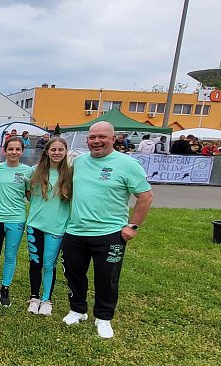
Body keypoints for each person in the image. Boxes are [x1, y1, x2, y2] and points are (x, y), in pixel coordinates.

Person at [61, 121, 153, 339]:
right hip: (76, 231)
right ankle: (78, 310)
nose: (96, 141)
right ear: (87, 140)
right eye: (92, 137)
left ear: (113, 139)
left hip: (109, 233)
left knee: (107, 278)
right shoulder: (79, 162)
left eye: (102, 137)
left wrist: (132, 226)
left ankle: (103, 317)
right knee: (74, 274)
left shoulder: (128, 164)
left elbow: (145, 196)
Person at [26, 136, 72, 316]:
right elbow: (27, 193)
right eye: (53, 149)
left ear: (66, 152)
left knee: (48, 264)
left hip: (57, 227)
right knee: (35, 262)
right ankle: (34, 298)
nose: (57, 153)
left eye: (60, 150)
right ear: (47, 151)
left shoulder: (70, 174)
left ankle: (46, 300)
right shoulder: (34, 171)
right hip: (34, 225)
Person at [0, 137, 32, 307]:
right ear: (4, 151)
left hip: (16, 219)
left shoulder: (28, 171)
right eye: (10, 149)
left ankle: (5, 288)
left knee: (10, 256)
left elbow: (30, 195)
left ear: (22, 151)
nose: (14, 152)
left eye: (17, 149)